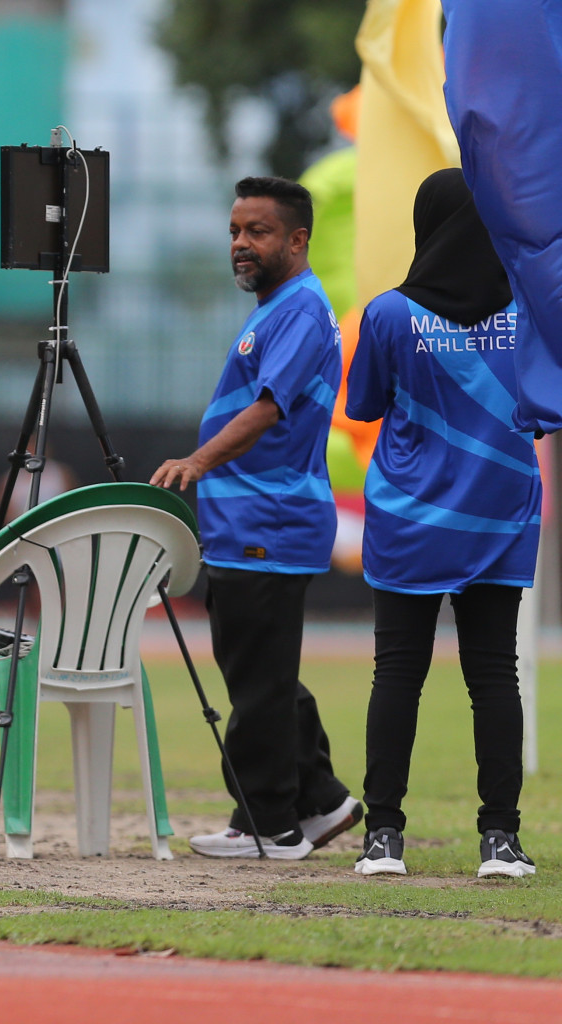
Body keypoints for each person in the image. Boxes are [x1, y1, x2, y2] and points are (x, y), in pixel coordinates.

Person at [151, 176, 360, 859]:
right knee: (263, 672)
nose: (241, 244)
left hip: (267, 524)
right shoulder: (281, 306)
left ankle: (273, 825)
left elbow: (269, 407)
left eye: (258, 232)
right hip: (251, 527)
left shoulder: (300, 310)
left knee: (258, 680)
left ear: (297, 240)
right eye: (236, 231)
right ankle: (318, 802)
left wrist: (198, 461)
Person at [345, 168, 540, 879]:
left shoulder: (389, 314)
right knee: (495, 677)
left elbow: (363, 406)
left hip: (409, 518)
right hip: (500, 513)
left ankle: (383, 839)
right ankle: (501, 842)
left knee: (397, 672)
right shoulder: (531, 308)